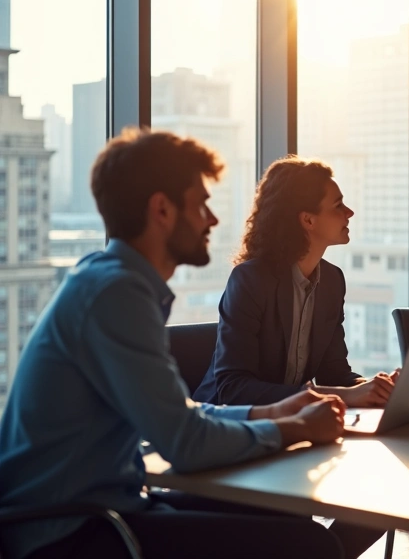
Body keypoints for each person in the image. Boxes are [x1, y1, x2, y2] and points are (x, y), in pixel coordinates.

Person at [0, 129, 381, 559]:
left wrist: (270, 411)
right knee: (311, 546)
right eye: (200, 204)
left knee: (290, 522)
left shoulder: (112, 283)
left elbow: (180, 416)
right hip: (68, 531)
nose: (212, 220)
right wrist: (291, 427)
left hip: (116, 504)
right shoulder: (116, 295)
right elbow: (183, 443)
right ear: (162, 210)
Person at [193, 157, 396, 407]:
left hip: (289, 423)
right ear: (308, 220)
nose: (349, 212)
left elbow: (336, 376)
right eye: (338, 205)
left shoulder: (332, 281)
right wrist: (345, 396)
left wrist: (376, 388)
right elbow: (233, 390)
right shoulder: (250, 280)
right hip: (227, 427)